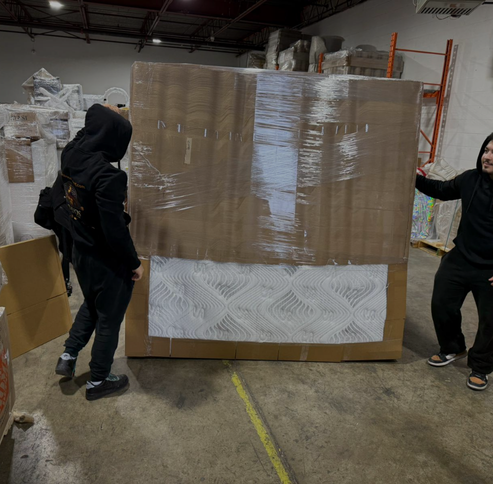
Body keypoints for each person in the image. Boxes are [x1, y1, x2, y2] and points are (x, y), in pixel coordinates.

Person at [55, 103, 143, 401]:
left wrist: (101, 114)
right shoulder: (109, 176)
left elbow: (83, 135)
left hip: (80, 252)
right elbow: (114, 230)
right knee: (109, 320)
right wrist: (134, 262)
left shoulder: (71, 154)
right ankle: (98, 381)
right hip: (107, 262)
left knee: (92, 304)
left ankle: (69, 354)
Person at [416, 133, 493, 391]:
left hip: (491, 268)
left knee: (490, 322)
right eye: (486, 150)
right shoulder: (470, 179)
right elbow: (440, 190)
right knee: (442, 303)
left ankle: (480, 366)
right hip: (461, 257)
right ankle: (453, 347)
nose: (487, 157)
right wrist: (412, 177)